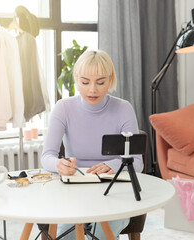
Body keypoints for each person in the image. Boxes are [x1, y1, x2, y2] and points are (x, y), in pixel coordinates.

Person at [41, 49, 143, 239]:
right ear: (77, 78)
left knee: (101, 233)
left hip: (114, 190)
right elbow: (47, 156)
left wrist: (112, 165)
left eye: (101, 82)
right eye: (85, 82)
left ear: (111, 79)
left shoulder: (123, 109)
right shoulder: (63, 108)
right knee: (65, 237)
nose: (92, 90)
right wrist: (58, 164)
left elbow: (137, 163)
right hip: (75, 190)